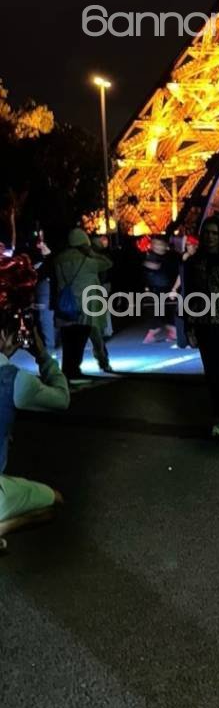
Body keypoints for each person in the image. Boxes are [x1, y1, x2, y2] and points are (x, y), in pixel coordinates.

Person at [0, 316, 69, 543]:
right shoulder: (14, 380)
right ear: (4, 336)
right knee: (54, 502)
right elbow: (62, 399)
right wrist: (42, 356)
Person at [183, 216, 219, 443]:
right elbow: (189, 295)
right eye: (207, 232)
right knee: (214, 372)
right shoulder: (193, 262)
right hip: (205, 324)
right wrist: (189, 326)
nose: (210, 237)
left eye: (214, 233)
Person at [51, 227, 112, 380]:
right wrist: (92, 251)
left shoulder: (59, 259)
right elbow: (107, 263)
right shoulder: (88, 260)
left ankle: (67, 370)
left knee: (68, 339)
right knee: (82, 338)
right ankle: (78, 369)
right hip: (85, 305)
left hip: (65, 304)